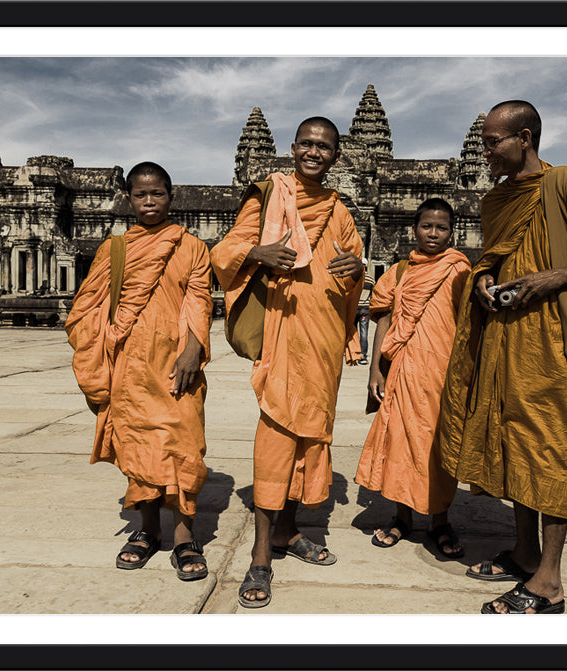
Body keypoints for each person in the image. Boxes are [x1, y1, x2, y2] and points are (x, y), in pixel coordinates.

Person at [439, 101, 567, 614]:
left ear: (524, 137)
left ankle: (549, 581)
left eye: (492, 141)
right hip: (502, 339)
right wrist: (483, 277)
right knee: (514, 444)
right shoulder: (497, 201)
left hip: (548, 343)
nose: (484, 151)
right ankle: (526, 552)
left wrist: (553, 277)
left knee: (547, 451)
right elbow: (494, 255)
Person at [210, 117, 364, 608]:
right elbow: (226, 249)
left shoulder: (339, 208)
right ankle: (260, 555)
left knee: (308, 438)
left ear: (336, 156)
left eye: (325, 147)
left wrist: (357, 270)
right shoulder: (267, 194)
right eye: (308, 144)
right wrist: (258, 250)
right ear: (293, 148)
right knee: (275, 437)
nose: (315, 152)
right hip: (283, 334)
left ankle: (288, 531)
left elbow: (351, 264)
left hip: (322, 340)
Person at [65, 162, 213, 581]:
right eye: (141, 194)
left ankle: (185, 537)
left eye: (158, 194)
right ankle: (148, 532)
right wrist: (102, 343)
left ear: (172, 195)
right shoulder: (114, 249)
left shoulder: (191, 247)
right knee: (140, 449)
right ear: (128, 199)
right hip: (129, 366)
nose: (150, 202)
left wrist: (192, 350)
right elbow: (85, 309)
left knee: (183, 446)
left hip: (177, 365)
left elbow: (199, 301)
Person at [355, 198, 471, 558]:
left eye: (441, 227)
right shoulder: (400, 272)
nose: (433, 234)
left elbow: (469, 325)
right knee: (401, 443)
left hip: (442, 374)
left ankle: (440, 522)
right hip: (403, 370)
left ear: (453, 232)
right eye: (426, 226)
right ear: (414, 230)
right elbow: (384, 320)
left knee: (438, 446)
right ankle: (401, 517)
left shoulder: (460, 269)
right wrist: (375, 369)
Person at [355, 260, 374, 364]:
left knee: (352, 331)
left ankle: (352, 352)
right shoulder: (370, 280)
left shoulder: (354, 278)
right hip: (365, 309)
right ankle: (363, 356)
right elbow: (373, 294)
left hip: (355, 307)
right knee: (364, 332)